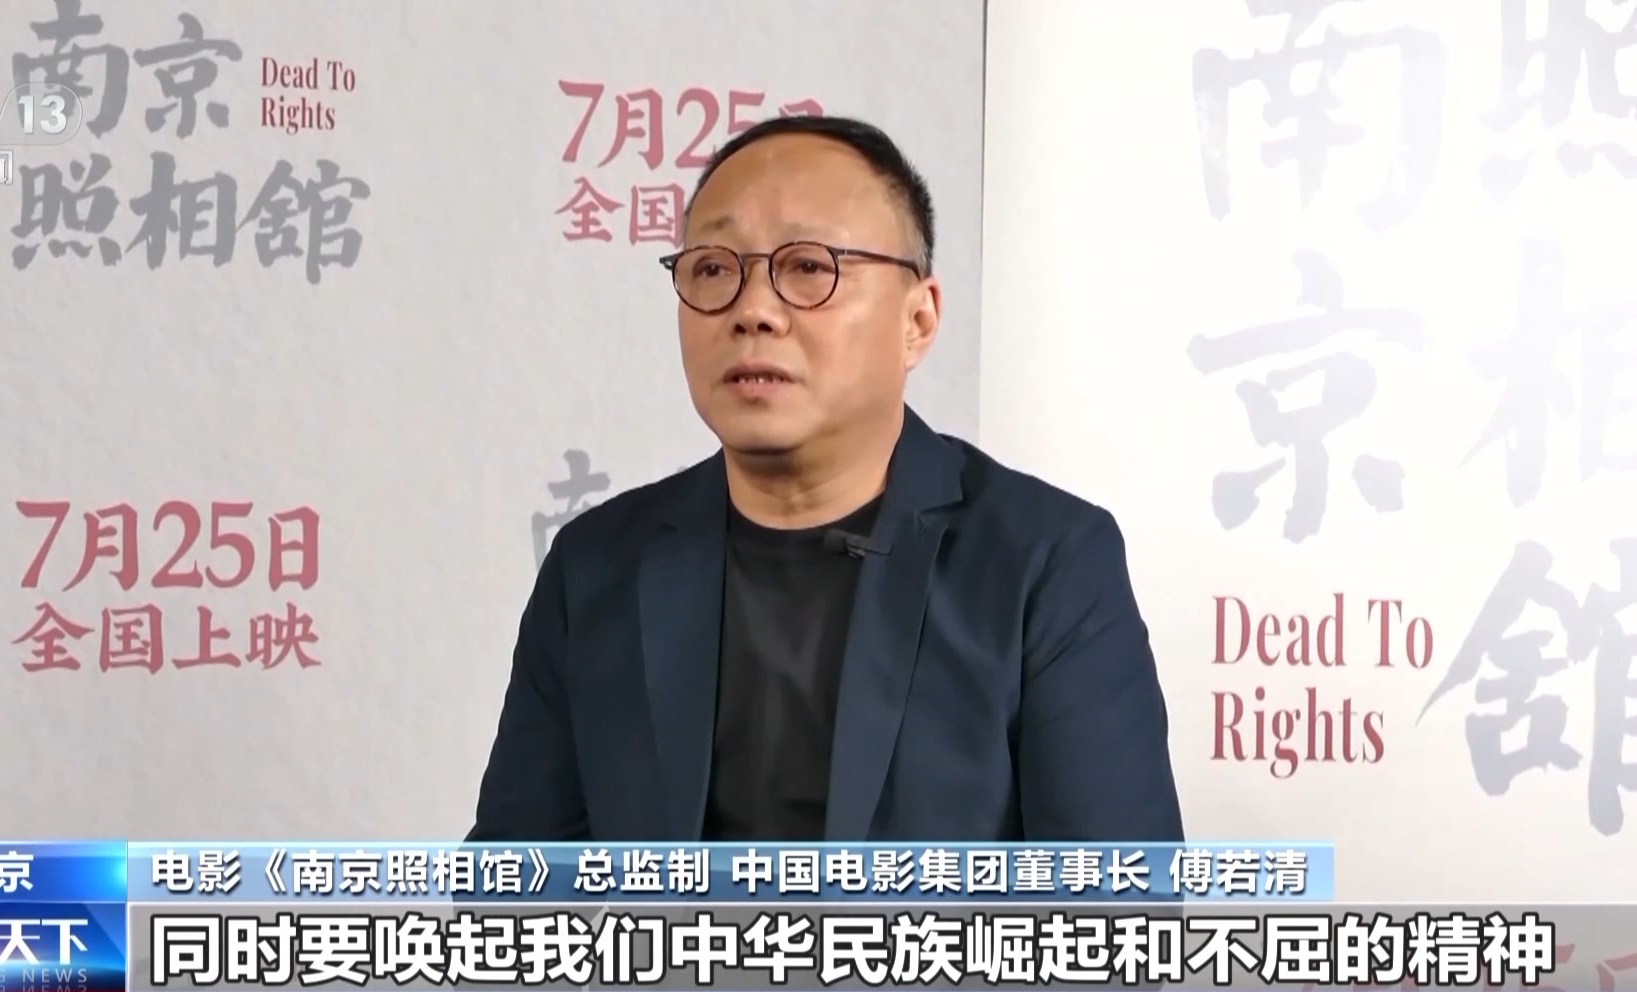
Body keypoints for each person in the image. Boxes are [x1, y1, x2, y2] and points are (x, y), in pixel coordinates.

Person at [469, 115, 1183, 842]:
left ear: (917, 320)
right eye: (713, 268)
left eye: (809, 267)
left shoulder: (1044, 562)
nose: (752, 311)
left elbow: (1113, 899)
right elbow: (512, 883)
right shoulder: (598, 565)